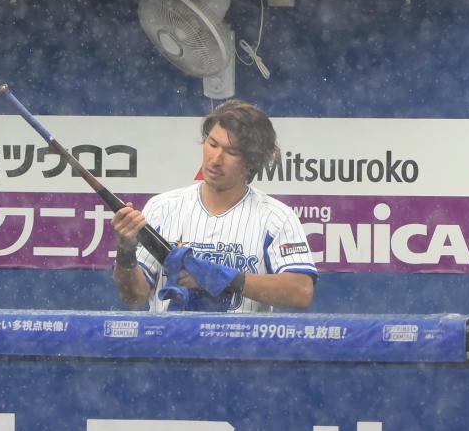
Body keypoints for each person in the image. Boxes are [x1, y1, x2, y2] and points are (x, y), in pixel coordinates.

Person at [111, 99, 317, 313]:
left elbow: (301, 291)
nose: (216, 159)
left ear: (252, 161)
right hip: (171, 342)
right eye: (212, 144)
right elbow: (133, 296)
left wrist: (226, 279)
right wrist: (125, 250)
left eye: (231, 152)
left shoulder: (276, 217)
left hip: (240, 344)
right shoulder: (162, 207)